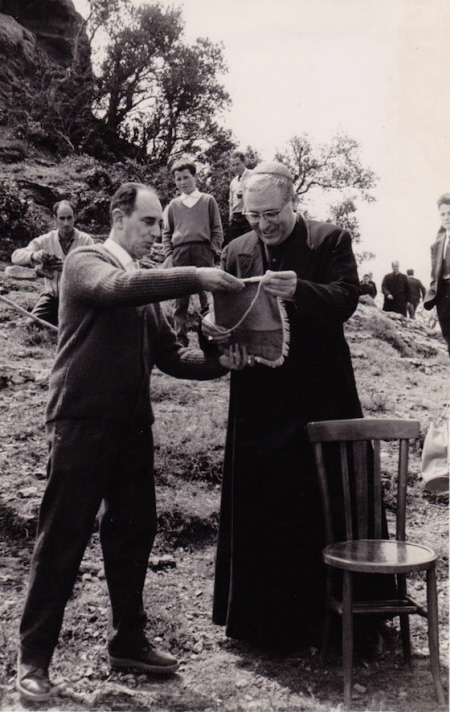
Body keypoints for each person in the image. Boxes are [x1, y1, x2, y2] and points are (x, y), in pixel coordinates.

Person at [16, 182, 244, 702]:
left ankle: (127, 642)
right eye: (148, 223)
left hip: (132, 427)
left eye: (160, 226)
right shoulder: (86, 262)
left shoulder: (144, 284)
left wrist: (220, 364)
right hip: (81, 422)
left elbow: (172, 357)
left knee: (133, 534)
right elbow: (115, 289)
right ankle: (33, 659)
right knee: (62, 538)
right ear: (118, 218)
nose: (156, 234)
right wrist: (195, 274)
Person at [203, 162, 392, 651]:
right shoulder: (235, 250)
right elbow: (221, 317)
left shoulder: (329, 240)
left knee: (327, 503)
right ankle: (262, 627)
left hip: (320, 393)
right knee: (263, 503)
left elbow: (346, 298)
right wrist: (215, 340)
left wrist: (300, 291)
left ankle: (346, 627)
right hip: (258, 399)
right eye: (253, 215)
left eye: (272, 214)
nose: (263, 225)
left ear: (293, 202)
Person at [162, 158, 224, 346]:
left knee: (207, 296)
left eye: (186, 177)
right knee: (180, 299)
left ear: (194, 177)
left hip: (202, 251)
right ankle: (180, 339)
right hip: (180, 252)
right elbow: (167, 233)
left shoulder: (207, 200)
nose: (183, 182)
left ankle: (209, 338)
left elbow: (217, 229)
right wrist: (169, 255)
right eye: (178, 179)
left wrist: (212, 250)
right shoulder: (173, 205)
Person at [11, 200, 93, 326]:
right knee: (31, 324)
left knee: (79, 327)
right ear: (55, 219)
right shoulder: (46, 240)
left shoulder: (85, 240)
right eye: (62, 218)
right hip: (52, 297)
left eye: (69, 218)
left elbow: (94, 267)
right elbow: (15, 256)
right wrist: (34, 255)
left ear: (75, 217)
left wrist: (69, 267)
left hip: (76, 299)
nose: (66, 223)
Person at [424, 194, 450, 353]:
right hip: (444, 295)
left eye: (449, 213)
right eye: (443, 214)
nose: (446, 217)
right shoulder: (438, 242)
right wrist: (434, 292)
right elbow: (434, 272)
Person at [225, 150, 252, 245]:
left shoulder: (252, 175)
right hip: (236, 218)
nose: (236, 167)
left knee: (249, 243)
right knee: (236, 244)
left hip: (248, 214)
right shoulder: (233, 182)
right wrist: (231, 217)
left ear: (244, 162)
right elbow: (231, 202)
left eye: (238, 164)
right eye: (233, 165)